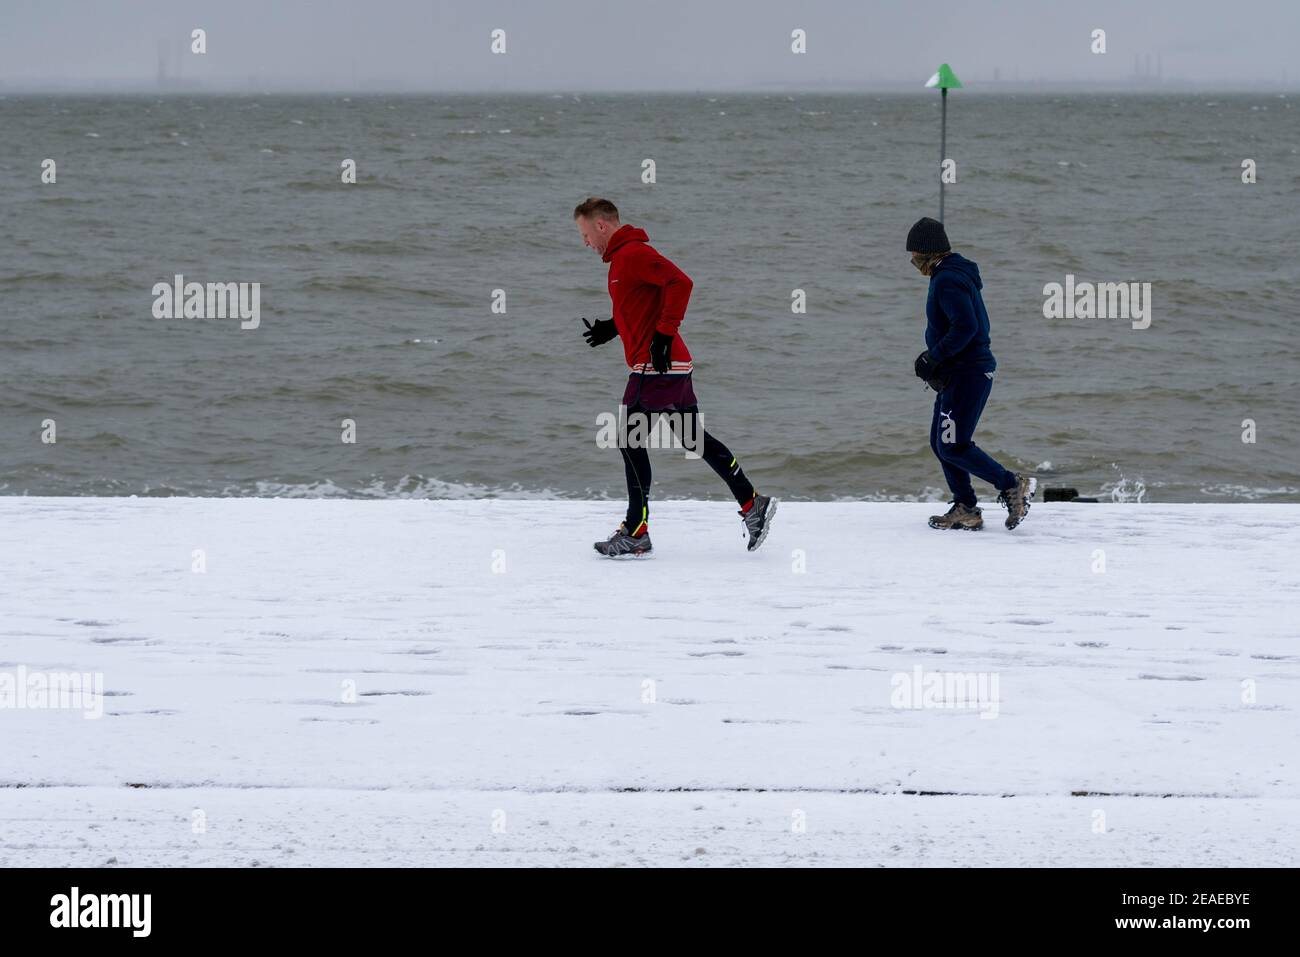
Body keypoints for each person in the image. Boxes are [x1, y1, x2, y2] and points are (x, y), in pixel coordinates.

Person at [574, 197, 776, 558]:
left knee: (629, 440)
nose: (585, 242)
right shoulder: (621, 261)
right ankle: (752, 503)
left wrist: (665, 334)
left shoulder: (632, 253)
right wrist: (614, 327)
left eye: (585, 233)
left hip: (655, 367)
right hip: (671, 366)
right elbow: (640, 305)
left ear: (601, 226)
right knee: (693, 438)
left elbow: (680, 282)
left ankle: (636, 530)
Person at [907, 216, 1034, 531]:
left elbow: (966, 326)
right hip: (958, 374)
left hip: (967, 374)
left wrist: (933, 357)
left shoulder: (947, 280)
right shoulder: (953, 272)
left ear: (928, 253)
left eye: (913, 254)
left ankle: (1011, 485)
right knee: (942, 443)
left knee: (953, 444)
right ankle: (965, 507)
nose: (911, 261)